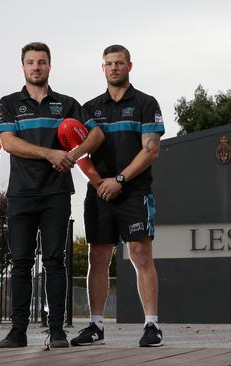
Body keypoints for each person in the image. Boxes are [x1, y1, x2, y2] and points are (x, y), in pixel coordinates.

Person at [0, 42, 104, 348]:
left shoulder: (67, 104)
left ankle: (57, 330)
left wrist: (74, 153)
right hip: (21, 194)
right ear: (23, 67)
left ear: (49, 66)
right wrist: (50, 154)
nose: (36, 67)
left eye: (41, 62)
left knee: (55, 262)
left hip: (56, 193)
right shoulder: (9, 102)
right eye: (30, 62)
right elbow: (8, 143)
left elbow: (96, 134)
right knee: (21, 262)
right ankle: (17, 332)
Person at [70, 45, 165, 348]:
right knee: (97, 259)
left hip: (133, 191)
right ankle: (96, 326)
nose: (114, 68)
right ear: (103, 68)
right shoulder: (89, 108)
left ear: (129, 66)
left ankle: (152, 326)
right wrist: (100, 182)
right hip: (99, 193)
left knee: (140, 255)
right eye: (109, 63)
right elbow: (81, 152)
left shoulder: (146, 104)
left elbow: (150, 150)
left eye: (119, 63)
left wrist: (120, 180)